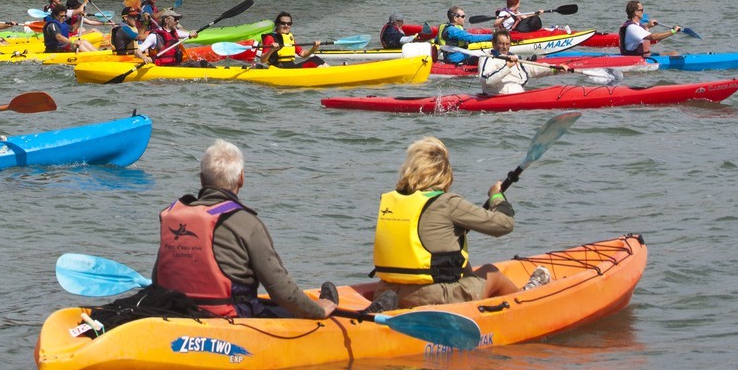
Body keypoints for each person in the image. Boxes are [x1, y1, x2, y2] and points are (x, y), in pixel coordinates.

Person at [153, 139, 335, 319]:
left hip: (175, 314)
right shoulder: (248, 223)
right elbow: (281, 291)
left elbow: (157, 280)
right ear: (241, 178)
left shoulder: (174, 218)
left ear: (202, 180)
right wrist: (319, 310)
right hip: (228, 317)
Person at [370, 135, 550, 309]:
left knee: (459, 260)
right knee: (492, 273)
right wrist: (496, 195)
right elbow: (504, 224)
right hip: (429, 297)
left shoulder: (390, 200)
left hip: (387, 292)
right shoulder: (448, 202)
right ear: (443, 172)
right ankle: (527, 300)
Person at [478, 30, 555, 95]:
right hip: (498, 97)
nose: (505, 47)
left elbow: (531, 68)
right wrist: (507, 67)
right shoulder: (488, 58)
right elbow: (488, 81)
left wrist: (554, 69)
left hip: (518, 95)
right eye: (501, 44)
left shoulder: (514, 57)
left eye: (507, 44)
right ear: (493, 44)